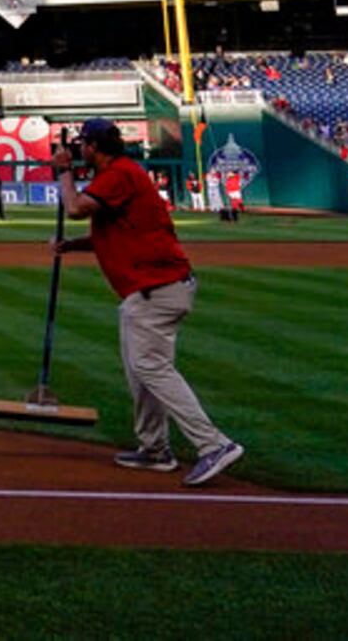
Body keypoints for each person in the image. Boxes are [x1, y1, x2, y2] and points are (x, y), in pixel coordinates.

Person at [52, 118, 241, 486]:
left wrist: (63, 172)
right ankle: (154, 449)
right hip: (152, 288)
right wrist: (71, 245)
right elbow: (116, 233)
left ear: (94, 147)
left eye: (82, 145)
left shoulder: (119, 174)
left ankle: (214, 444)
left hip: (157, 289)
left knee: (151, 367)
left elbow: (74, 208)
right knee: (140, 370)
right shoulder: (119, 176)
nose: (79, 151)